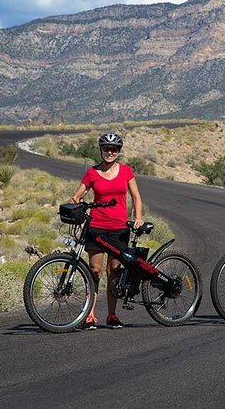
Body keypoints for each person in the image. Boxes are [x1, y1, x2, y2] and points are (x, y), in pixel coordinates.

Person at [70, 132, 144, 330]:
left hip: (119, 228)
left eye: (114, 149)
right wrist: (73, 207)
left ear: (118, 152)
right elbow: (77, 195)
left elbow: (136, 197)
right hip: (96, 227)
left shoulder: (126, 171)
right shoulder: (92, 173)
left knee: (114, 272)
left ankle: (112, 315)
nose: (110, 152)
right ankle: (90, 315)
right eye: (106, 149)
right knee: (95, 271)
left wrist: (137, 217)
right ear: (100, 150)